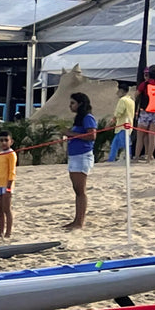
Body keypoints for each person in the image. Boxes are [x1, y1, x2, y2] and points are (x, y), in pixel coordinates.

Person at [62, 92, 96, 230]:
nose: (70, 106)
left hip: (82, 156)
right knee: (77, 190)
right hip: (75, 156)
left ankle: (79, 222)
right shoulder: (79, 118)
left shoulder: (88, 117)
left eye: (73, 103)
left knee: (80, 190)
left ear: (80, 104)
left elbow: (92, 135)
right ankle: (76, 220)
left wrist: (71, 134)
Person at [137, 65, 155, 163]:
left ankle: (137, 156)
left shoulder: (145, 84)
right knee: (152, 135)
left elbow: (136, 94)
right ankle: (150, 157)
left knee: (140, 136)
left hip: (146, 111)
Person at [0, 129, 16, 238]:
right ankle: (0, 231)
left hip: (7, 185)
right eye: (1, 140)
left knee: (7, 209)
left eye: (6, 140)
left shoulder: (11, 154)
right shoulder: (0, 154)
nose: (3, 143)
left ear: (11, 142)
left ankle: (8, 232)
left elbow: (12, 172)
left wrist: (9, 187)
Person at [107, 80, 135, 162]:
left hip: (122, 126)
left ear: (121, 91)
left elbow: (118, 113)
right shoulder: (131, 101)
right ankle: (111, 159)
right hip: (128, 125)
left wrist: (111, 122)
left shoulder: (122, 100)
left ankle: (127, 158)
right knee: (114, 144)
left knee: (125, 144)